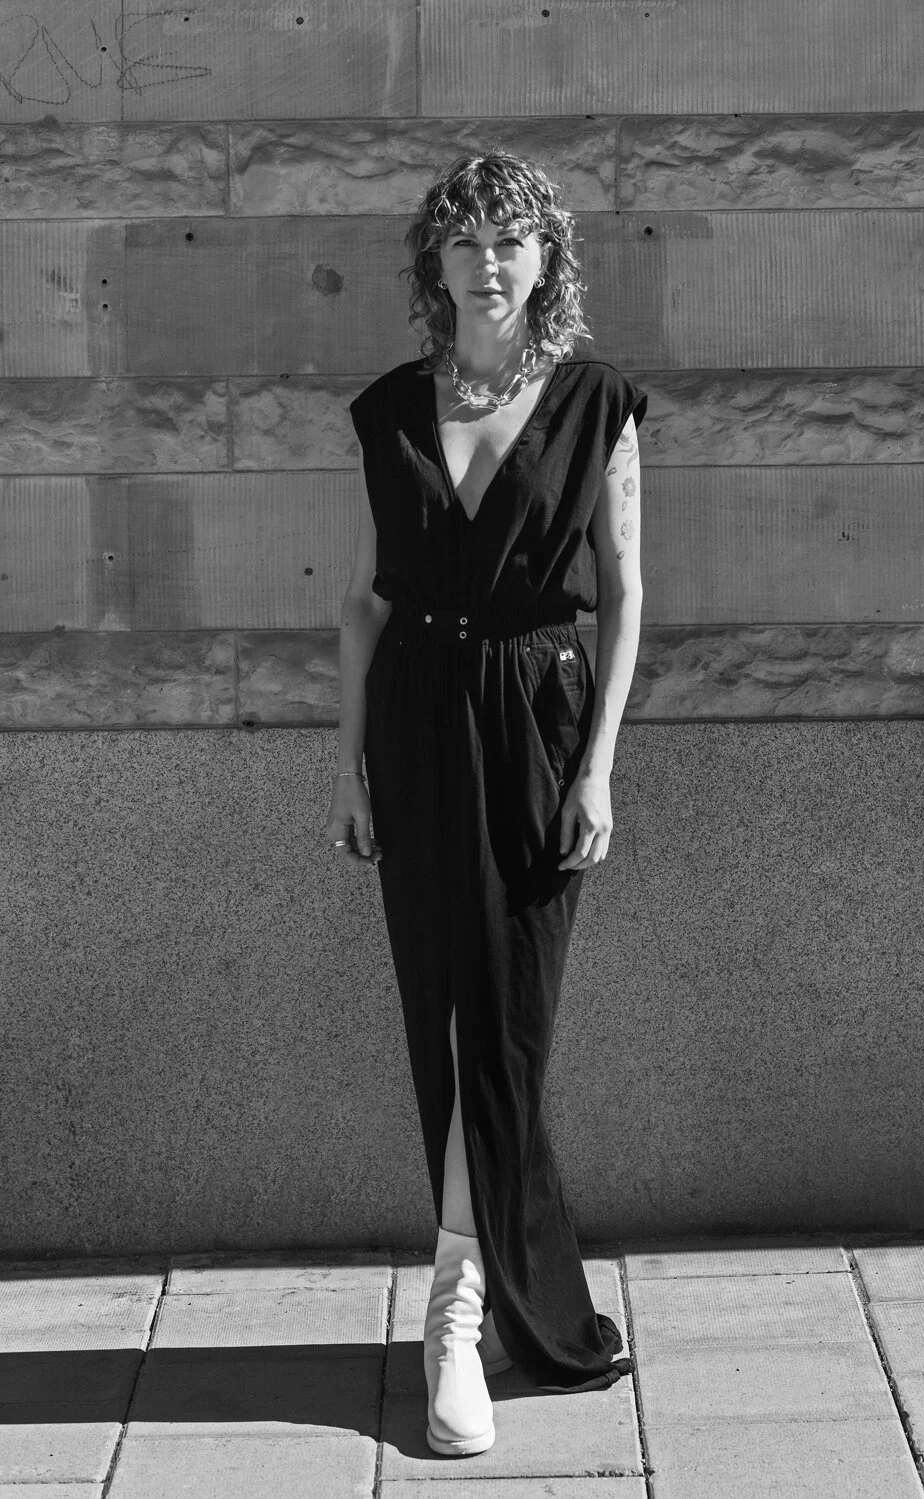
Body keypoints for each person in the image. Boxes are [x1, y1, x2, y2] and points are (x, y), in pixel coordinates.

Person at [325, 150, 647, 1457]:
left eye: (513, 239)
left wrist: (599, 765)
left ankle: (469, 1302)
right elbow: (364, 603)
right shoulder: (389, 410)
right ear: (436, 265)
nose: (490, 261)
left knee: (505, 1030)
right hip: (413, 724)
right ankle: (467, 1308)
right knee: (443, 1018)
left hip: (536, 726)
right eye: (466, 240)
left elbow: (625, 594)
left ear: (546, 257)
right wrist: (348, 762)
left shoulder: (595, 402)